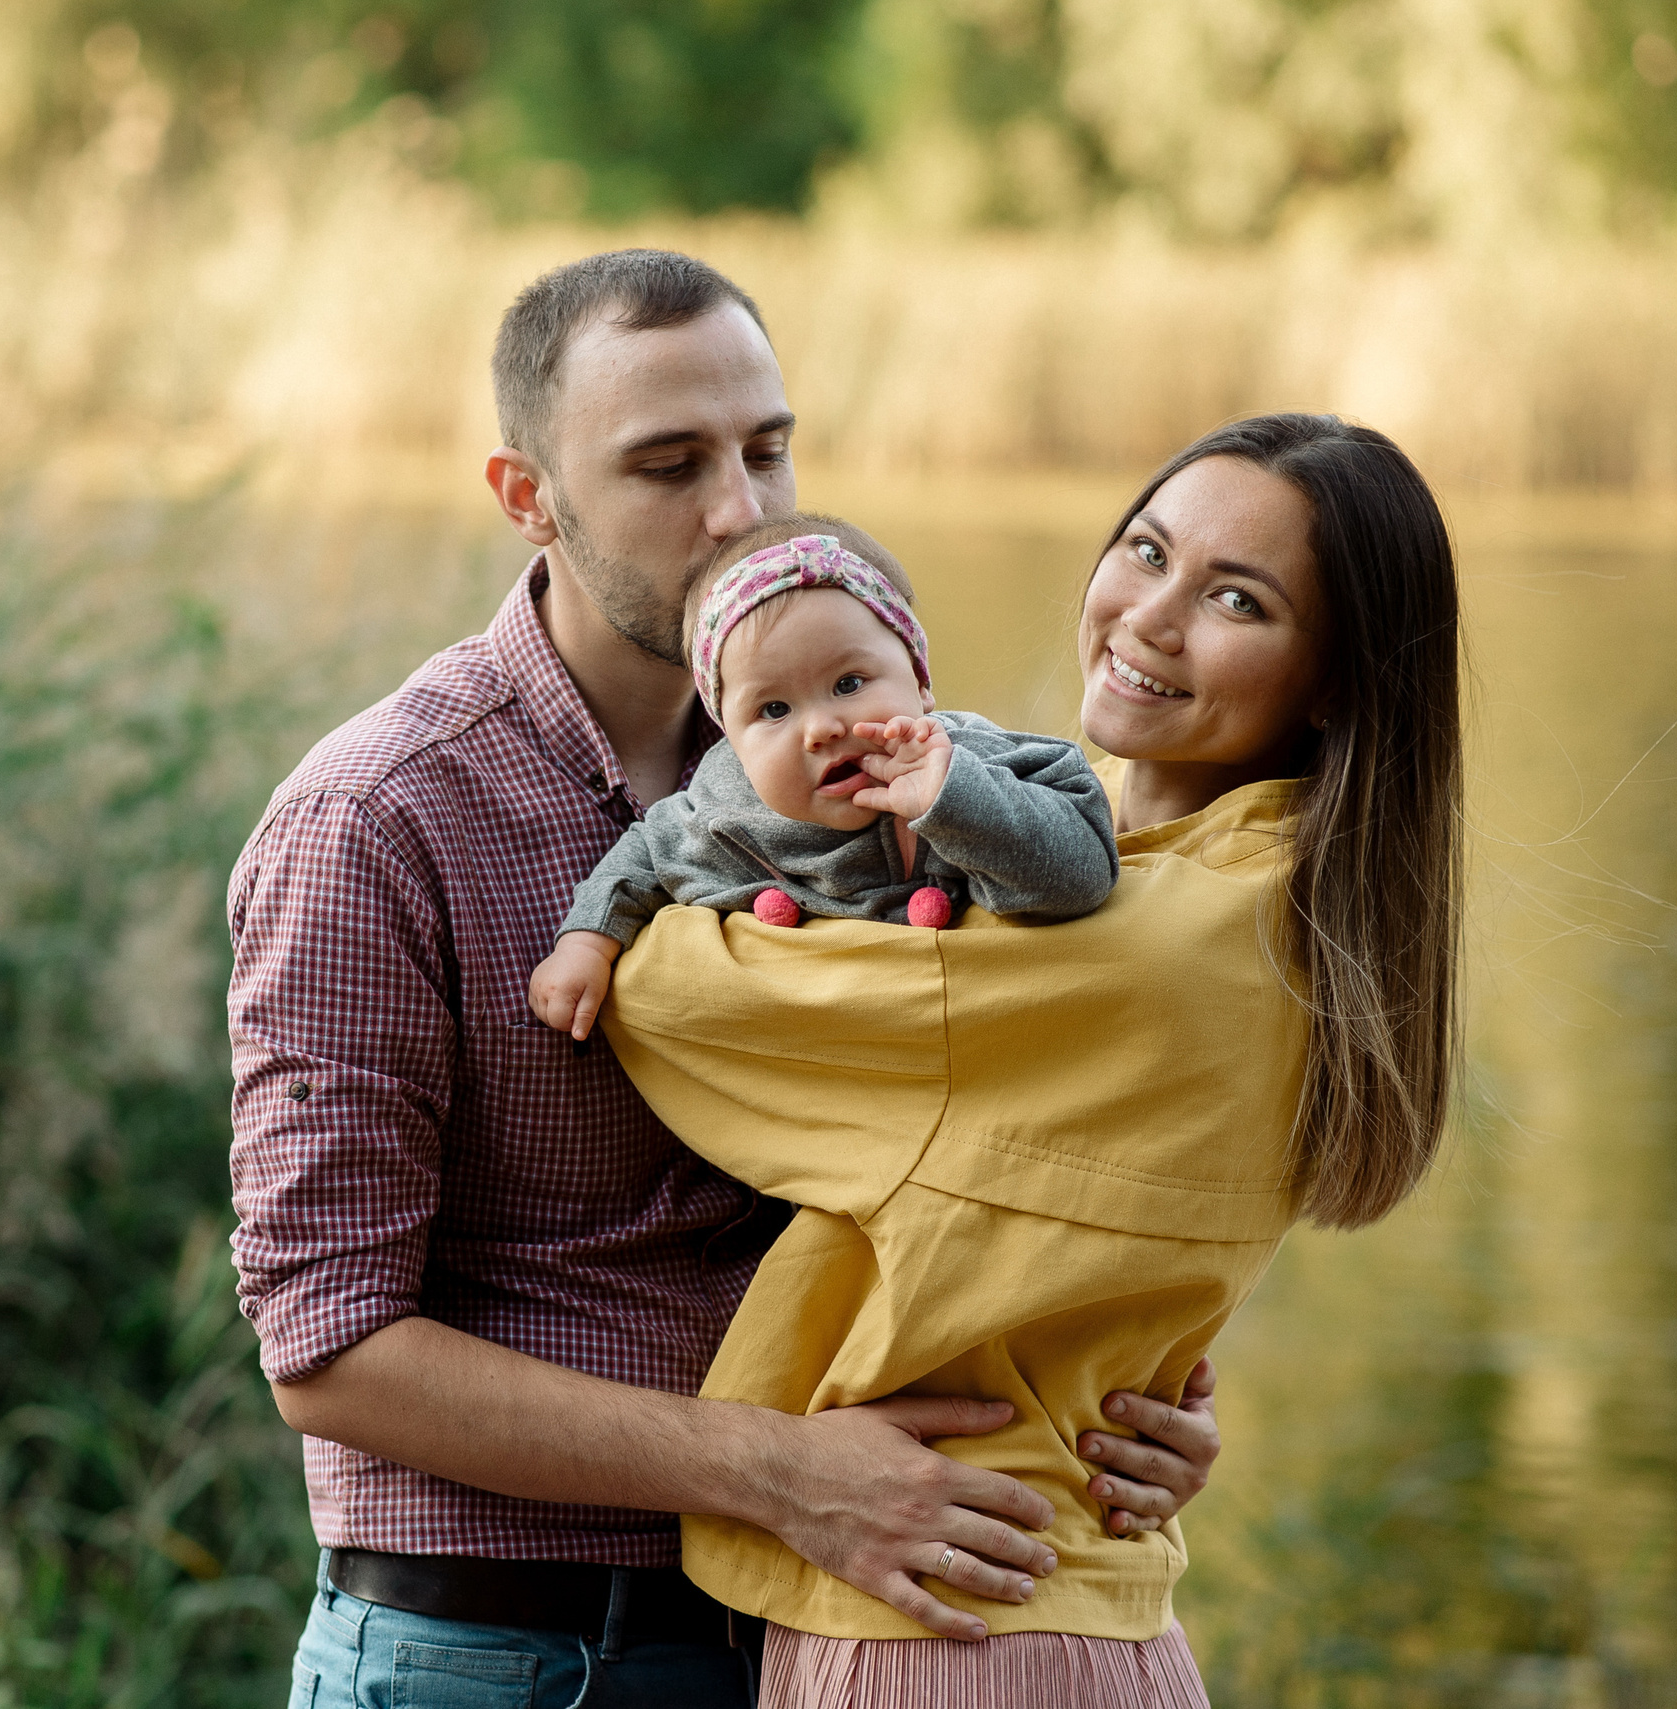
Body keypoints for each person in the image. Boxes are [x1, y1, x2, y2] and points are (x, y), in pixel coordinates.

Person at [225, 249, 1220, 1709]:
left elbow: (1003, 1150)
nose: (742, 511)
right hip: (500, 1657)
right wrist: (781, 1475)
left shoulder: (886, 760)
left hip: (834, 1636)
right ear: (528, 497)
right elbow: (327, 1347)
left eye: (767, 447)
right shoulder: (374, 821)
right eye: (667, 465)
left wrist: (1146, 1397)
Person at [597, 412, 1465, 1706]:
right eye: (1146, 550)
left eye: (1235, 597)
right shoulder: (1279, 897)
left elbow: (681, 1007)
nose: (1149, 618)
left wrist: (683, 856)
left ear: (1338, 676)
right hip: (1072, 1607)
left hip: (947, 1617)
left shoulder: (1140, 942)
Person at [528, 515, 1117, 1045]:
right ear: (731, 740)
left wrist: (956, 798)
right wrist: (587, 941)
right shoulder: (727, 812)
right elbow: (645, 857)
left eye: (849, 683)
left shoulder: (980, 762)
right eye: (774, 711)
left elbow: (1085, 871)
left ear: (919, 678)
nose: (822, 729)